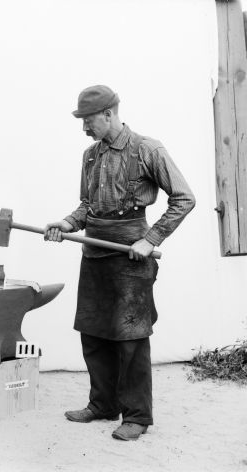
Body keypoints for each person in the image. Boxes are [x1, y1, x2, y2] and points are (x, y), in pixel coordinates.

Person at [44, 85, 195, 441]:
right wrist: (67, 223)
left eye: (88, 120)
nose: (84, 128)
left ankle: (137, 416)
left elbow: (184, 198)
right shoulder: (89, 155)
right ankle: (103, 404)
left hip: (131, 255)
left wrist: (152, 238)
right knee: (93, 333)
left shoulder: (147, 149)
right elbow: (87, 204)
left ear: (109, 114)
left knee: (131, 338)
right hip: (94, 252)